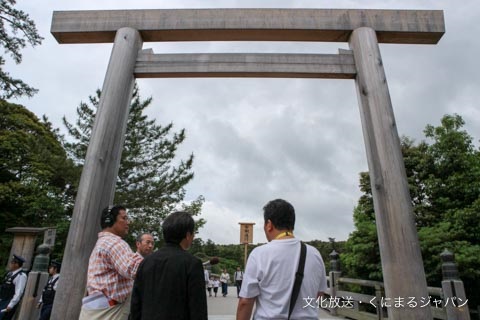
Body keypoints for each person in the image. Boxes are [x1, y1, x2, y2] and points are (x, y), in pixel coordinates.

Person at [236, 199, 328, 320]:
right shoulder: (314, 254)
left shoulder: (259, 254)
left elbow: (245, 302)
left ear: (269, 225)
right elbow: (319, 294)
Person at [131, 211, 207, 320]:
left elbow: (136, 304)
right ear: (187, 235)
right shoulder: (192, 264)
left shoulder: (146, 262)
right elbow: (198, 308)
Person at [78, 205, 143, 320]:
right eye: (124, 218)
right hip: (109, 311)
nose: (128, 223)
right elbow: (133, 269)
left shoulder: (103, 242)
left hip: (97, 309)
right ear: (110, 220)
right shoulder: (114, 243)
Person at [0, 254, 27, 320]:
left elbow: (19, 292)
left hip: (9, 302)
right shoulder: (9, 273)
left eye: (12, 263)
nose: (10, 264)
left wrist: (11, 305)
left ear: (17, 264)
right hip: (3, 300)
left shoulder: (21, 276)